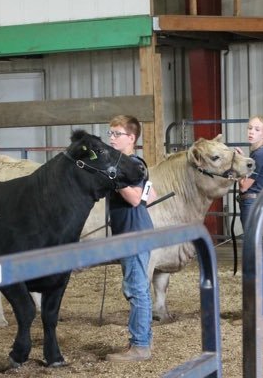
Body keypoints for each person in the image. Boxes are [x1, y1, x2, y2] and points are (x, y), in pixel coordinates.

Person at [105, 115, 157, 362]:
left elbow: (137, 199)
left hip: (134, 234)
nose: (112, 138)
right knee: (137, 288)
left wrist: (113, 180)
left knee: (136, 289)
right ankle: (142, 340)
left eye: (117, 134)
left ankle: (140, 346)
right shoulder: (135, 165)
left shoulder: (131, 165)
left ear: (131, 138)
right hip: (133, 231)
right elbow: (152, 194)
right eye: (110, 134)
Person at [236, 115, 263, 314]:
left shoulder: (260, 156)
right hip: (254, 203)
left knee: (255, 255)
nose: (251, 132)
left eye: (257, 129)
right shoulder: (259, 155)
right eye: (250, 128)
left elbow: (244, 186)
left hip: (251, 202)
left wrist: (240, 166)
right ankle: (261, 308)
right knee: (256, 255)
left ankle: (260, 310)